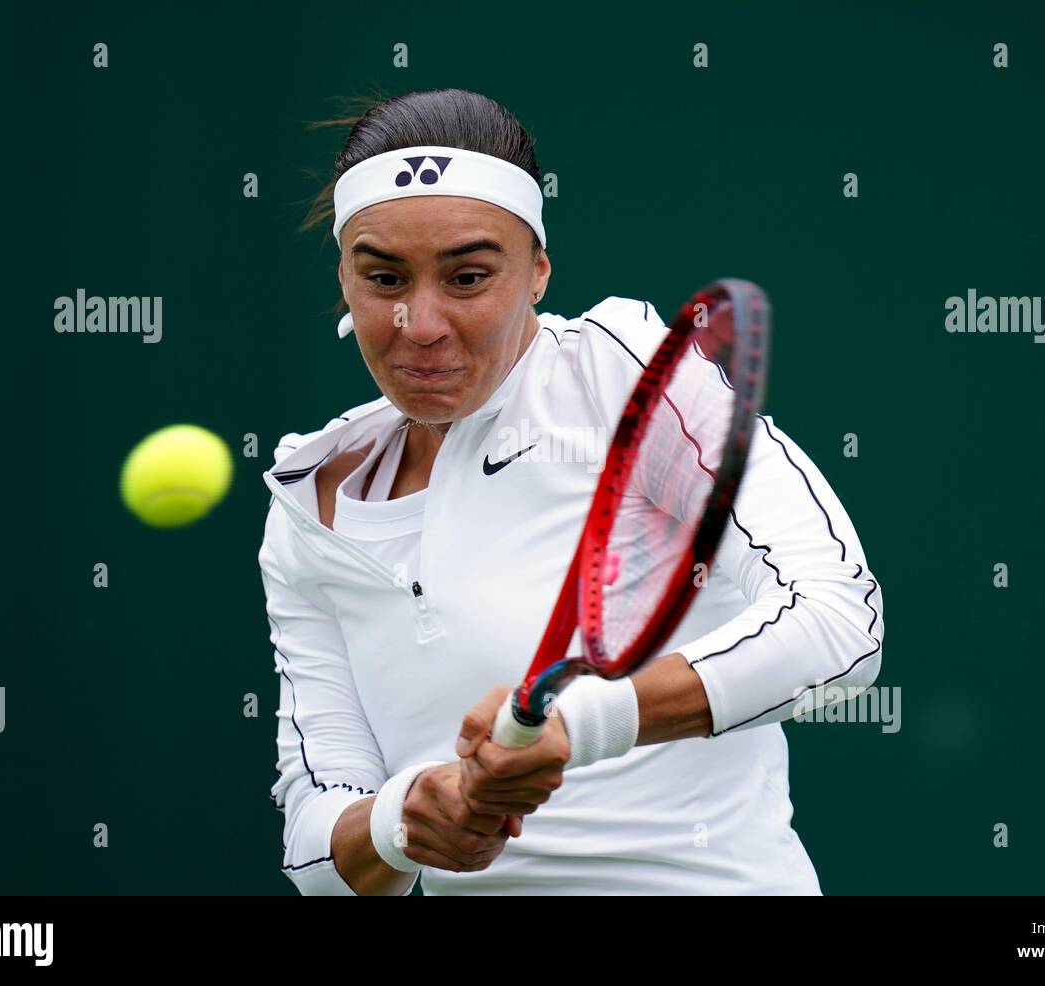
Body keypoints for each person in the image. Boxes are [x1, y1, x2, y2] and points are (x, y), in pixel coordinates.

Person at [260, 88, 884, 895]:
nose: (420, 324)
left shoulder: (617, 376)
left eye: (469, 276)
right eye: (384, 277)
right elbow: (318, 853)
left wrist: (582, 723)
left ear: (539, 270)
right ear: (345, 279)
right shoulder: (311, 506)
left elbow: (841, 622)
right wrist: (407, 819)